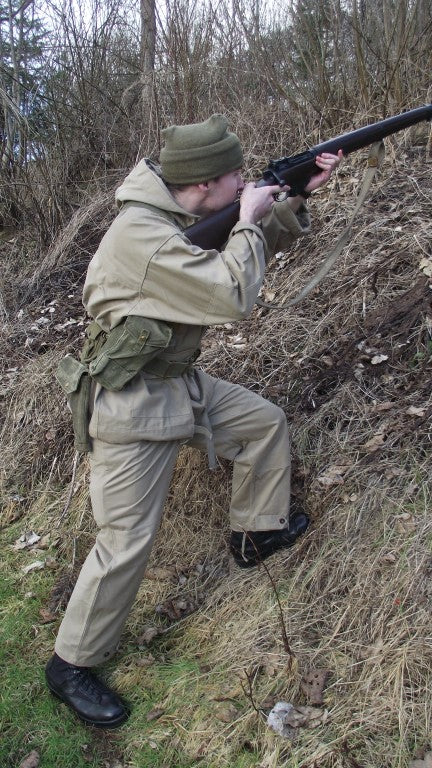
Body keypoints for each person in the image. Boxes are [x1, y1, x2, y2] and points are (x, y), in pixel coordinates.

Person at [45, 114, 341, 728]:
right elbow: (231, 294)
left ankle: (254, 533)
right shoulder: (142, 237)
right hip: (133, 404)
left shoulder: (171, 216)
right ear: (204, 185)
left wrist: (293, 197)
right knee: (124, 543)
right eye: (235, 174)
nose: (242, 179)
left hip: (178, 381)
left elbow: (224, 251)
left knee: (262, 424)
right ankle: (70, 664)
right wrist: (251, 219)